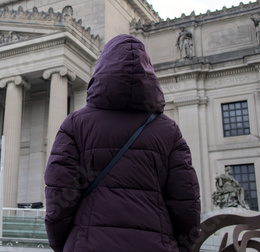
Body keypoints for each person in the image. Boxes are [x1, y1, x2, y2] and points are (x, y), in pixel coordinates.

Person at [44, 34, 201, 252]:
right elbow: (186, 204)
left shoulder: (74, 125)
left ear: (102, 68)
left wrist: (66, 243)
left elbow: (59, 197)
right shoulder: (169, 130)